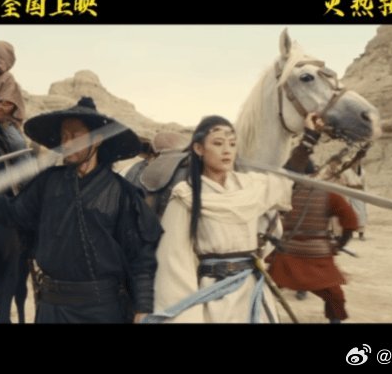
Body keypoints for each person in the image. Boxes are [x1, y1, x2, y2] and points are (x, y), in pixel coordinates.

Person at [0, 96, 163, 323]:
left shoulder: (120, 193)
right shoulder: (47, 183)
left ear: (97, 140)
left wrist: (143, 307)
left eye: (75, 135)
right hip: (52, 308)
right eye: (64, 136)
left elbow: (140, 258)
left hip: (101, 311)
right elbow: (13, 215)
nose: (67, 142)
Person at [150, 113, 322, 323]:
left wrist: (309, 139)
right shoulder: (186, 196)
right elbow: (174, 263)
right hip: (215, 299)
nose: (227, 150)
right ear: (199, 149)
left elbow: (284, 181)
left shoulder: (249, 186)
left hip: (252, 293)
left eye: (232, 144)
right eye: (218, 143)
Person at [268, 161, 358, 324]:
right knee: (334, 295)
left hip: (300, 254)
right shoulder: (287, 194)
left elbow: (350, 220)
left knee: (268, 287)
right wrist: (340, 244)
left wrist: (340, 244)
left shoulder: (286, 193)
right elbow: (350, 221)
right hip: (299, 255)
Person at [343, 159, 368, 240]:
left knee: (361, 214)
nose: (355, 164)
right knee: (350, 213)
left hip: (359, 194)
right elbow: (343, 184)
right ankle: (350, 233)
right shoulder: (346, 172)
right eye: (353, 162)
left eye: (357, 162)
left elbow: (364, 184)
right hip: (349, 193)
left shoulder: (363, 172)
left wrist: (365, 195)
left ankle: (361, 233)